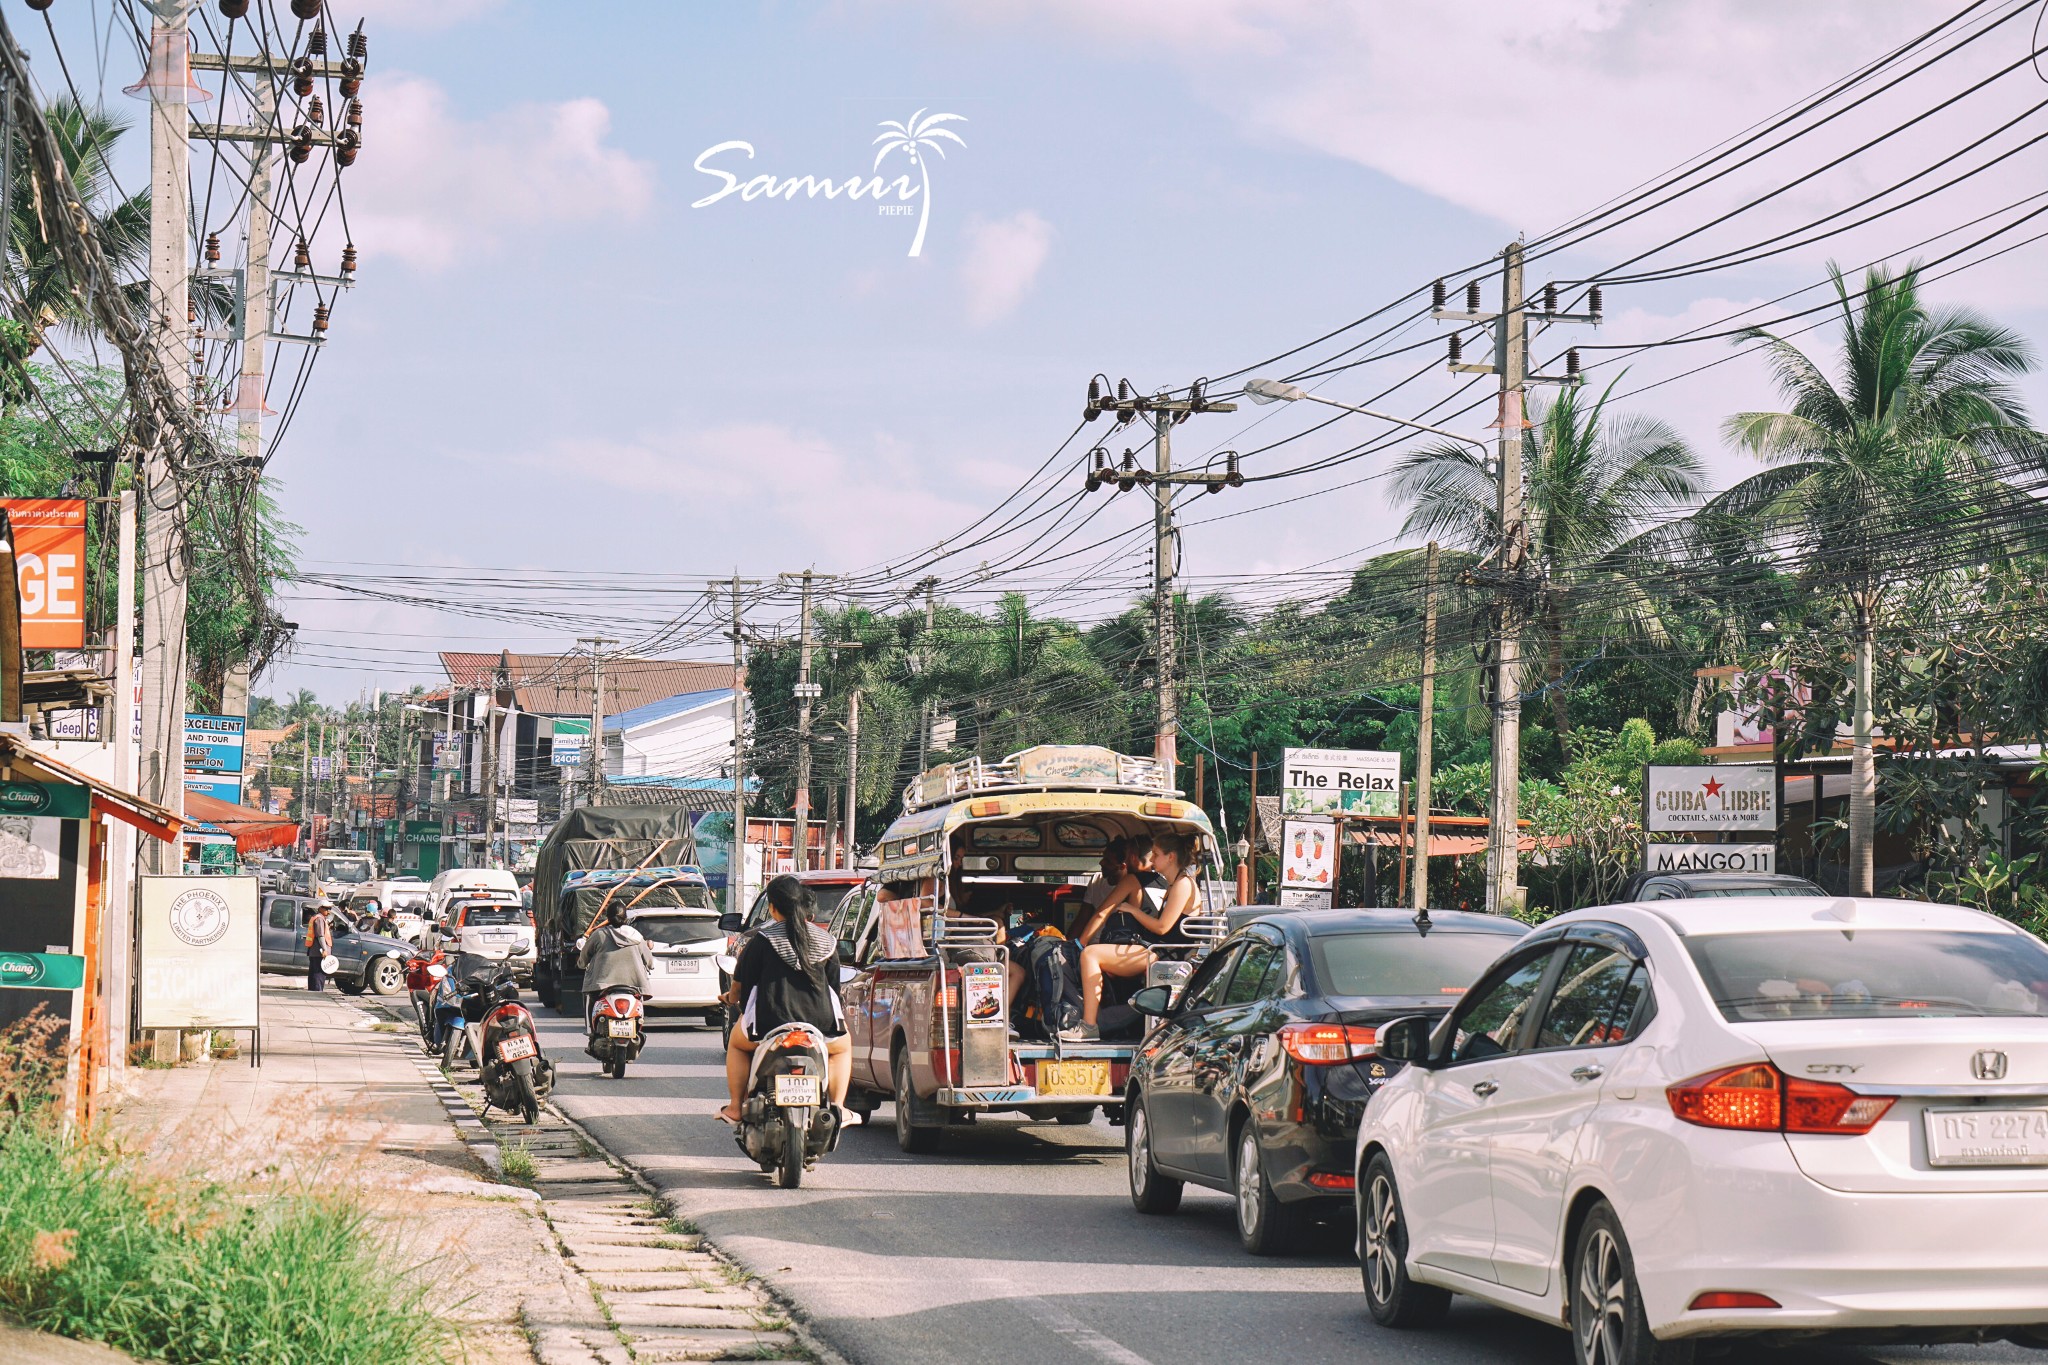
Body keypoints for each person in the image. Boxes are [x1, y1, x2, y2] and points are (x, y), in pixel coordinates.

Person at [717, 875, 850, 1125]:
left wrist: (730, 998)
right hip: (820, 1026)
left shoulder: (762, 940)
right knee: (843, 1048)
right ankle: (839, 1108)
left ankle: (735, 1106)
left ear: (773, 908)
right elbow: (833, 988)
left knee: (735, 1045)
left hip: (769, 1023)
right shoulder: (827, 942)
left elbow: (740, 983)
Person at [1069, 832, 1196, 1041]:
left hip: (1162, 955)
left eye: (1156, 854)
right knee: (1096, 955)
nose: (1152, 860)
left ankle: (1089, 1026)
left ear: (1171, 857)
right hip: (1159, 950)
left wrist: (1131, 909)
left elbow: (1163, 927)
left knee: (1090, 954)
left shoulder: (1182, 884)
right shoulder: (1172, 884)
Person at [578, 903, 654, 1043]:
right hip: (634, 985)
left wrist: (581, 964)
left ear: (608, 918)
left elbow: (584, 958)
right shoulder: (636, 936)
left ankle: (592, 1033)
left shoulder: (599, 935)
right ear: (626, 918)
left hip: (602, 985)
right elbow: (649, 961)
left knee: (592, 1000)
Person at [305, 899, 335, 992]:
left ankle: (313, 991)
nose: (329, 910)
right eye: (327, 908)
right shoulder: (319, 919)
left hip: (315, 951)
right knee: (319, 973)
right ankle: (318, 992)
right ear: (320, 908)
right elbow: (320, 936)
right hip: (319, 952)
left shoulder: (318, 918)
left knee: (314, 972)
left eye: (329, 908)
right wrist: (325, 949)